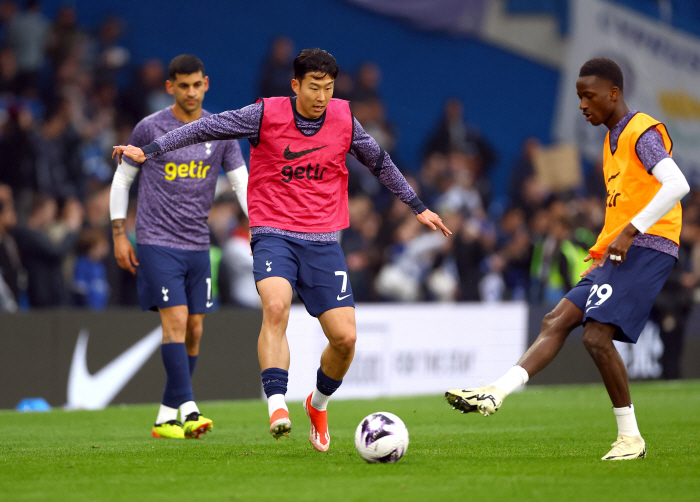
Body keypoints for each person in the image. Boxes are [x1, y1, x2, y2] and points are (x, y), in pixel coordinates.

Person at [113, 48, 450, 452]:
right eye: (314, 87)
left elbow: (380, 162)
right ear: (295, 85)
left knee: (345, 339)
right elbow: (207, 128)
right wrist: (149, 151)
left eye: (328, 88)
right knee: (276, 307)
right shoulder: (264, 114)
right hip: (274, 231)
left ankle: (317, 403)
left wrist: (417, 206)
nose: (322, 96)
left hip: (324, 240)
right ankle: (277, 404)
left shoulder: (344, 118)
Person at [446, 58, 690, 460]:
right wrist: (610, 242)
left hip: (648, 245)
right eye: (578, 96)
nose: (582, 104)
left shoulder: (639, 130)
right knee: (556, 319)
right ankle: (496, 392)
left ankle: (631, 439)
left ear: (613, 93)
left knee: (595, 336)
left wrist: (631, 230)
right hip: (616, 250)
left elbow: (676, 184)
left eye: (588, 95)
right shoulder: (612, 142)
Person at [109, 54, 248, 439]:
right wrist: (120, 233)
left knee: (195, 329)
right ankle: (189, 409)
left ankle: (165, 416)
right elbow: (122, 182)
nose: (190, 92)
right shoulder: (149, 128)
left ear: (206, 83)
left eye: (196, 84)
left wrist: (261, 224)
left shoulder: (220, 129)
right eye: (182, 85)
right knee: (176, 320)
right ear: (169, 87)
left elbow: (240, 183)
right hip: (156, 240)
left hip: (197, 243)